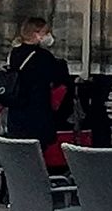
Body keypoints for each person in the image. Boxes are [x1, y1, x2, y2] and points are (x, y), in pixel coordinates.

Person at [5, 16, 67, 145]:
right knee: (38, 147)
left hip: (16, 111)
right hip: (37, 112)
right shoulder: (43, 57)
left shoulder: (14, 53)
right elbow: (58, 78)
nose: (49, 36)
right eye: (45, 32)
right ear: (36, 34)